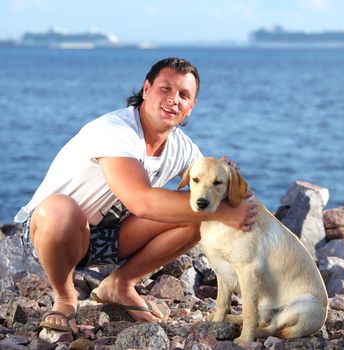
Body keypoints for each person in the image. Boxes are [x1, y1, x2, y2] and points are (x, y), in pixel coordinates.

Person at [14, 57, 257, 334]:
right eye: (165, 89)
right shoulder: (115, 130)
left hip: (109, 238)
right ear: (146, 90)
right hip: (53, 235)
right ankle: (66, 299)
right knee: (60, 209)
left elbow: (209, 188)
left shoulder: (182, 148)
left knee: (198, 218)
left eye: (183, 95)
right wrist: (225, 212)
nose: (173, 99)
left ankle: (120, 284)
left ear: (191, 107)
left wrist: (225, 178)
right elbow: (139, 200)